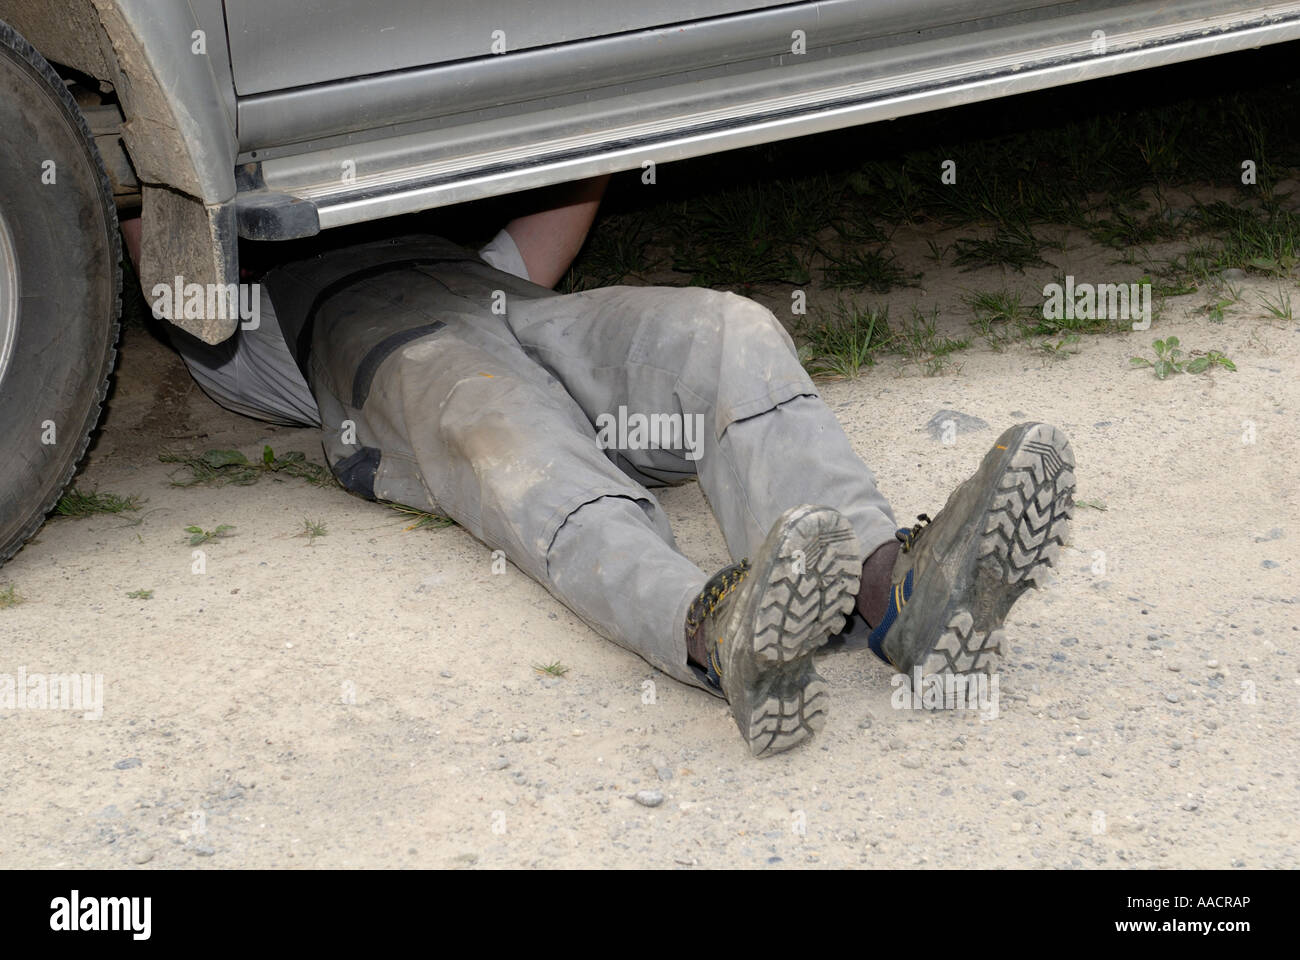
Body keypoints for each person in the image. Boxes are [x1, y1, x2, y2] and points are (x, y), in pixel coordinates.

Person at [121, 175, 1075, 758]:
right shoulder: (242, 333)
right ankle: (713, 628)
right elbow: (148, 244)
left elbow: (561, 205)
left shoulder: (480, 259)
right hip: (396, 359)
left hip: (514, 309)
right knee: (515, 446)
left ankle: (898, 593)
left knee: (724, 332)